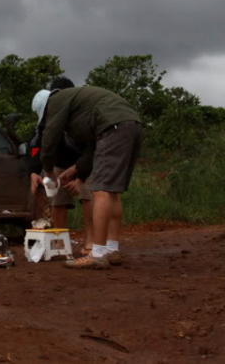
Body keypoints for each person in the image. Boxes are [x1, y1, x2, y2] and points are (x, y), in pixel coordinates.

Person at [32, 85, 143, 269]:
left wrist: (49, 169)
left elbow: (49, 137)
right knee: (112, 191)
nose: (46, 120)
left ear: (45, 110)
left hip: (113, 127)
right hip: (131, 125)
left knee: (100, 190)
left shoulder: (56, 101)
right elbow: (93, 148)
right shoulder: (83, 107)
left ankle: (98, 254)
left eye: (44, 118)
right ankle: (111, 249)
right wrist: (76, 169)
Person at [28, 77, 94, 255]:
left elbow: (92, 148)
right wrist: (34, 172)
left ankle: (91, 241)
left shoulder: (82, 115)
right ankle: (60, 242)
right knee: (56, 198)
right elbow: (35, 147)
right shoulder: (46, 118)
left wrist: (80, 177)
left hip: (85, 162)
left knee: (88, 195)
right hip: (58, 163)